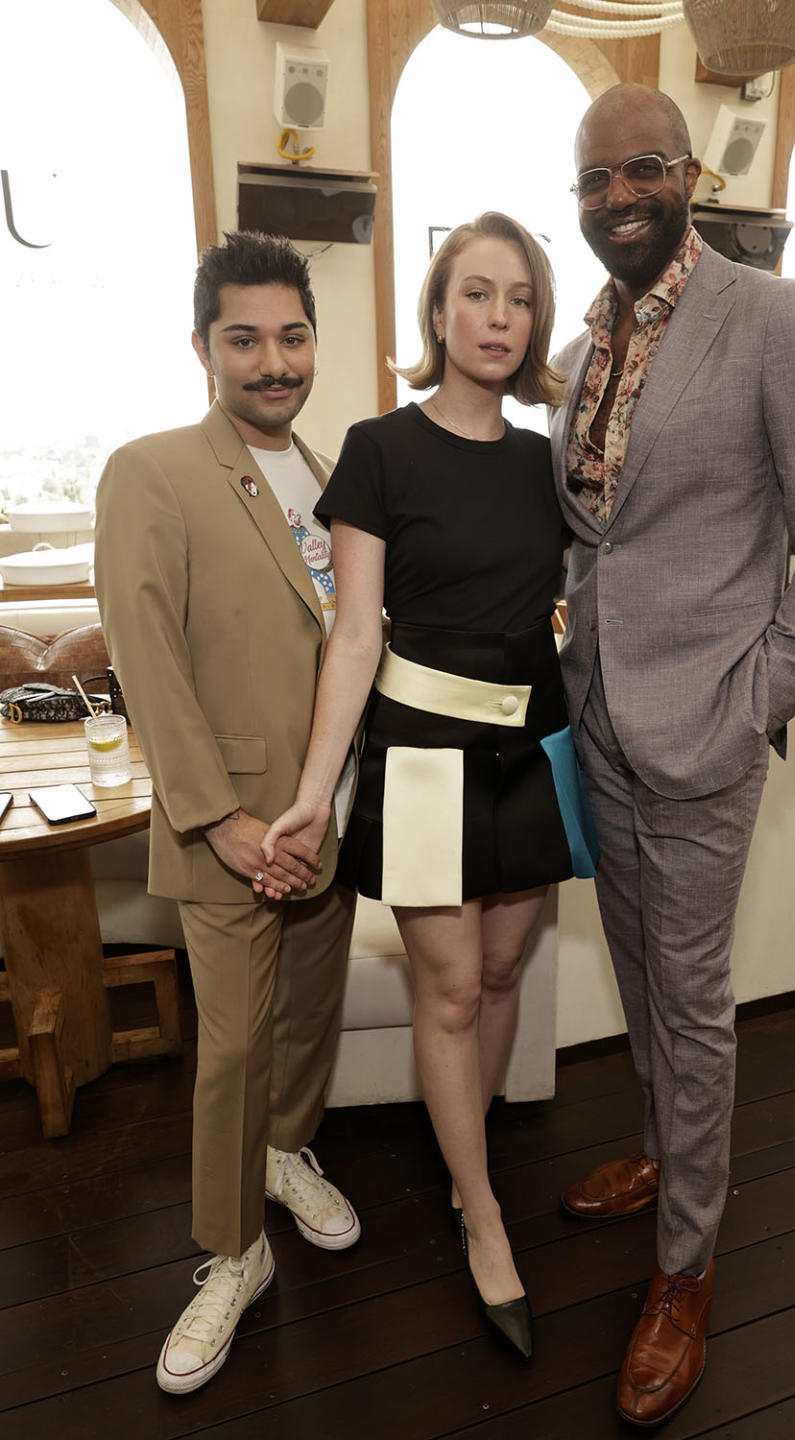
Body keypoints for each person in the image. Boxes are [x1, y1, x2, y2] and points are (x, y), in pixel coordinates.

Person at [550, 85, 795, 1427]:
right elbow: (598, 530)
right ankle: (660, 1150)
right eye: (593, 179)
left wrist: (751, 702)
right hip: (601, 725)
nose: (618, 196)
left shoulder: (774, 321)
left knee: (690, 1002)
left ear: (692, 172)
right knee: (639, 968)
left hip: (703, 731)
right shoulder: (597, 338)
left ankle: (684, 1262)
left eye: (642, 169)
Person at [263, 211, 595, 1361]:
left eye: (519, 300)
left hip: (531, 744)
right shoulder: (378, 449)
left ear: (534, 321)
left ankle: (468, 1165)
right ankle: (485, 1211)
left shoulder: (544, 461)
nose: (499, 318)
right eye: (477, 295)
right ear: (439, 313)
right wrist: (318, 791)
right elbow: (354, 637)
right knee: (450, 992)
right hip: (418, 751)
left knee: (504, 970)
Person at [94, 231, 360, 1395]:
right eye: (244, 338)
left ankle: (285, 1153)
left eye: (291, 335)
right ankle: (229, 1252)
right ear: (202, 347)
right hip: (235, 828)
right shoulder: (152, 470)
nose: (272, 360)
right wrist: (219, 820)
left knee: (308, 1019)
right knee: (235, 1046)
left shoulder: (338, 473)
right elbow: (145, 658)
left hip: (331, 813)